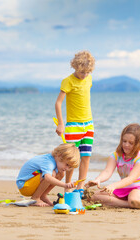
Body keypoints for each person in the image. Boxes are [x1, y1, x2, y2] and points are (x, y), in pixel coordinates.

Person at [55, 50, 95, 197]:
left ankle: (80, 187)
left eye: (87, 72)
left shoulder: (89, 79)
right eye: (81, 71)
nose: (84, 75)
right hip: (73, 125)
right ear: (75, 66)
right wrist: (60, 124)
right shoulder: (68, 81)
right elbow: (58, 103)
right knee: (71, 159)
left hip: (88, 125)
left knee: (86, 156)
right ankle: (68, 187)